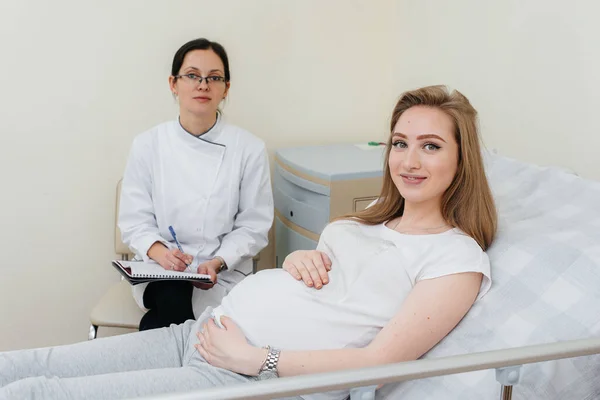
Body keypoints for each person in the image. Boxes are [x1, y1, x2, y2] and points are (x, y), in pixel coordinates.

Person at [0, 85, 497, 400]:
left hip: (246, 377)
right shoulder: (362, 222)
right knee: (24, 367)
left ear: (462, 160)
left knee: (38, 393)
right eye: (400, 143)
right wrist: (299, 258)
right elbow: (333, 281)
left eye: (430, 146)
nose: (409, 160)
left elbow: (380, 362)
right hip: (199, 335)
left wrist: (256, 360)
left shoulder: (455, 257)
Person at [117, 38, 274, 330]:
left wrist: (217, 262)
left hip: (220, 272)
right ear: (173, 84)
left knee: (169, 312)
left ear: (226, 88)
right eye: (192, 75)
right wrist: (162, 254)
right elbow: (134, 220)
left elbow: (253, 226)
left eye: (214, 78)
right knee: (173, 294)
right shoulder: (148, 145)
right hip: (157, 269)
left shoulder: (248, 149)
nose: (203, 85)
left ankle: (153, 363)